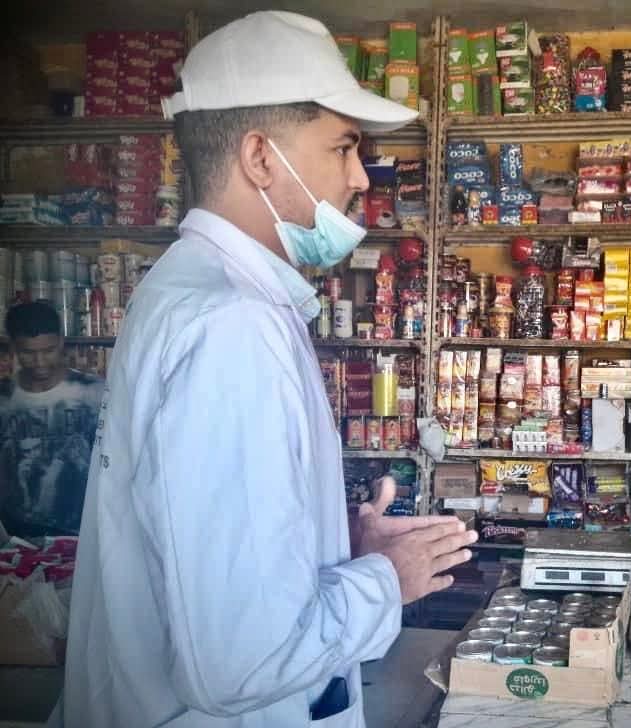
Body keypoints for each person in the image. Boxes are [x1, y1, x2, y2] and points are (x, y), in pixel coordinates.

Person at [51, 11, 477, 728]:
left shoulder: (188, 287)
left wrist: (334, 546)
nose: (358, 178)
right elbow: (242, 661)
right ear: (259, 157)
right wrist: (385, 580)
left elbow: (191, 535)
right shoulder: (232, 325)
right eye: (342, 147)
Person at [0, 301, 103, 537]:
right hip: (15, 536)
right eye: (28, 353)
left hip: (82, 534)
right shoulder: (4, 399)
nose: (40, 362)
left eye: (48, 350)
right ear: (13, 348)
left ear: (61, 342)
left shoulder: (95, 393)